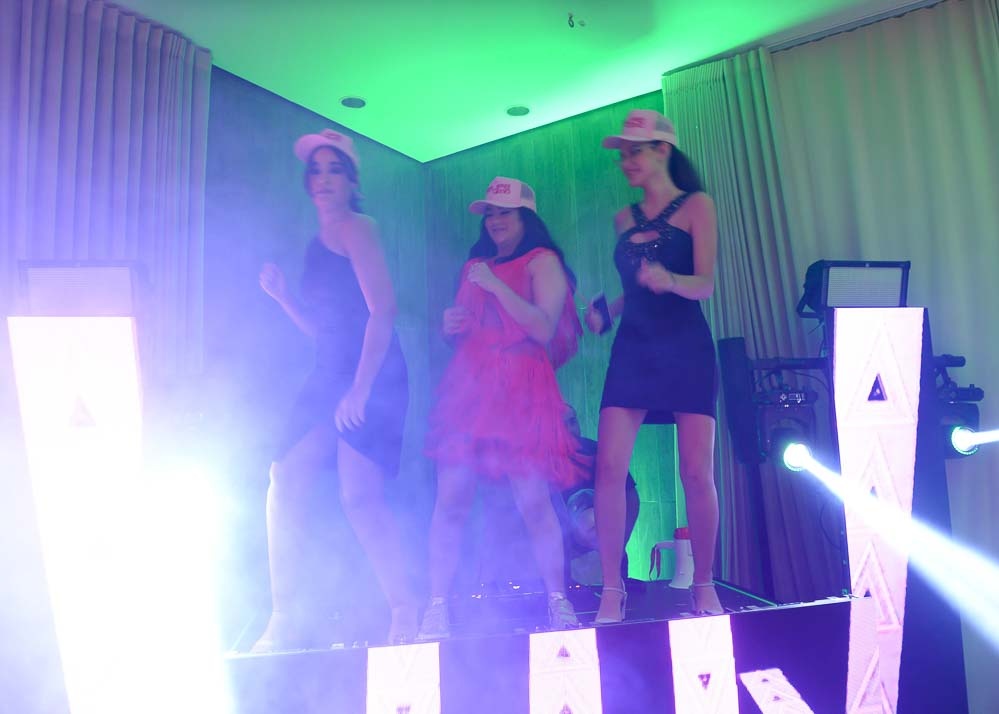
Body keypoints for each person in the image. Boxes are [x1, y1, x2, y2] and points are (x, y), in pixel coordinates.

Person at [254, 129, 417, 649]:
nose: (323, 179)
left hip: (374, 370)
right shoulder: (315, 244)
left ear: (352, 182)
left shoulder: (358, 228)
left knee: (359, 497)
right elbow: (323, 332)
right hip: (330, 372)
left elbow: (383, 310)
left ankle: (404, 609)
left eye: (334, 170)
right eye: (316, 170)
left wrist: (362, 389)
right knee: (284, 475)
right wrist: (284, 299)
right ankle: (283, 616)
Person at [419, 177, 584, 639]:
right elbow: (465, 329)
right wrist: (450, 325)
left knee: (532, 501)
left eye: (504, 212)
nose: (495, 220)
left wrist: (494, 286)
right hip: (471, 388)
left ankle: (558, 601)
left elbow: (544, 327)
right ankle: (436, 606)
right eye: (490, 213)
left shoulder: (542, 261)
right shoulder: (475, 266)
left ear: (525, 217)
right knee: (451, 499)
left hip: (521, 389)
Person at [586, 110, 723, 622]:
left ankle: (704, 585)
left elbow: (705, 284)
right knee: (608, 468)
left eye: (635, 151)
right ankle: (611, 589)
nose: (626, 161)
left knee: (695, 472)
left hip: (686, 346)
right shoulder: (623, 219)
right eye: (622, 154)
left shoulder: (697, 205)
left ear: (663, 150)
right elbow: (633, 288)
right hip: (634, 349)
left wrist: (671, 280)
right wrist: (607, 311)